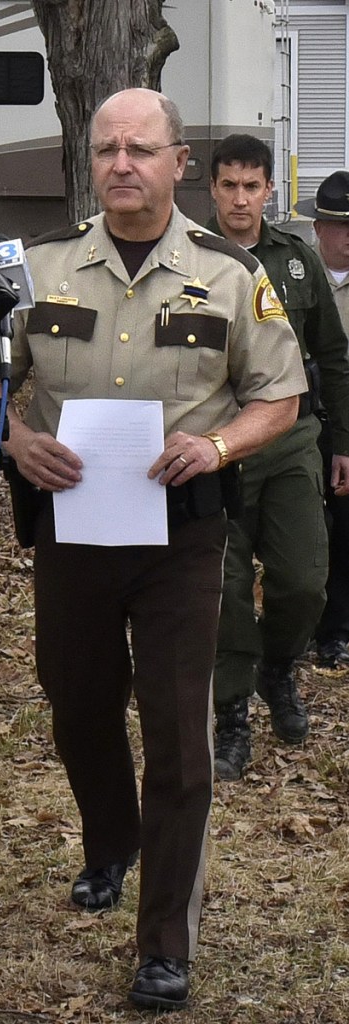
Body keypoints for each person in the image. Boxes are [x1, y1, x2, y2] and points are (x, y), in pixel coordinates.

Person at [0, 89, 304, 1010]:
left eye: (141, 149)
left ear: (180, 165)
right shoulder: (37, 269)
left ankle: (164, 941)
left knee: (176, 738)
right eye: (106, 149)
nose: (121, 164)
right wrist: (14, 440)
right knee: (76, 702)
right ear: (88, 163)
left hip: (182, 536)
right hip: (73, 529)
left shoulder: (228, 272)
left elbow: (277, 396)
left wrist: (214, 446)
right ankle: (111, 841)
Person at [207, 136, 349, 781]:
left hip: (292, 438)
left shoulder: (296, 261)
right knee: (227, 590)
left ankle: (278, 668)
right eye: (229, 186)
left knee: (303, 581)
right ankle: (231, 711)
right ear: (211, 189)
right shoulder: (189, 258)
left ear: (270, 190)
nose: (240, 199)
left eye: (252, 186)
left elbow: (333, 355)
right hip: (216, 446)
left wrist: (343, 441)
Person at [296, 171, 349, 670]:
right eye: (339, 226)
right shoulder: (297, 274)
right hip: (300, 417)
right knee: (308, 530)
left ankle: (336, 631)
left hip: (347, 420)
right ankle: (299, 627)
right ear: (318, 227)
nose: (348, 236)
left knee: (346, 528)